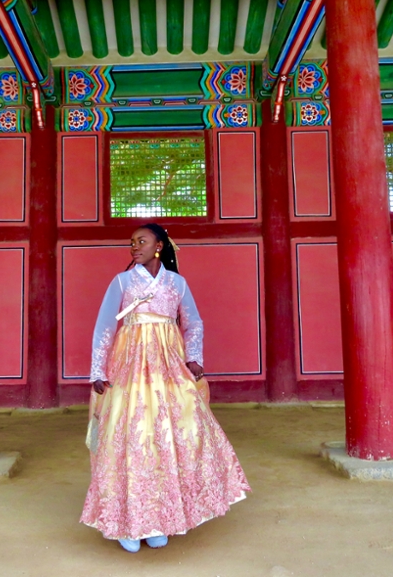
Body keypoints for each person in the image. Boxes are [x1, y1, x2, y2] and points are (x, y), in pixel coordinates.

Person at [80, 223, 250, 553]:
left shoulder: (177, 283)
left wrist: (195, 357)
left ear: (159, 245)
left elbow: (193, 321)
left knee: (174, 433)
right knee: (131, 435)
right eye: (131, 243)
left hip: (169, 364)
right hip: (129, 365)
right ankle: (126, 523)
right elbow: (104, 326)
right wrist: (97, 371)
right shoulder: (122, 281)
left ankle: (160, 520)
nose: (134, 247)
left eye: (141, 241)